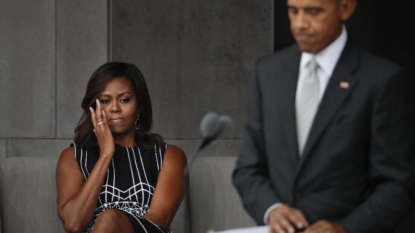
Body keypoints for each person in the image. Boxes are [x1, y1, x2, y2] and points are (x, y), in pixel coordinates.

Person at [233, 0, 415, 233]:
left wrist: (346, 228)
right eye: (293, 11)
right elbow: (248, 168)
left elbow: (397, 184)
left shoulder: (381, 80)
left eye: (313, 11)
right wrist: (272, 209)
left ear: (346, 8)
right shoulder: (267, 72)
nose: (300, 24)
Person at [56, 62, 186, 233]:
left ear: (138, 107)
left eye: (124, 100)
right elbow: (73, 223)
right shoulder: (73, 157)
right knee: (108, 219)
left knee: (110, 219)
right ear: (93, 108)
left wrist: (113, 223)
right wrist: (106, 155)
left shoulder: (168, 155)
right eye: (105, 101)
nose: (115, 108)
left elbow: (159, 220)